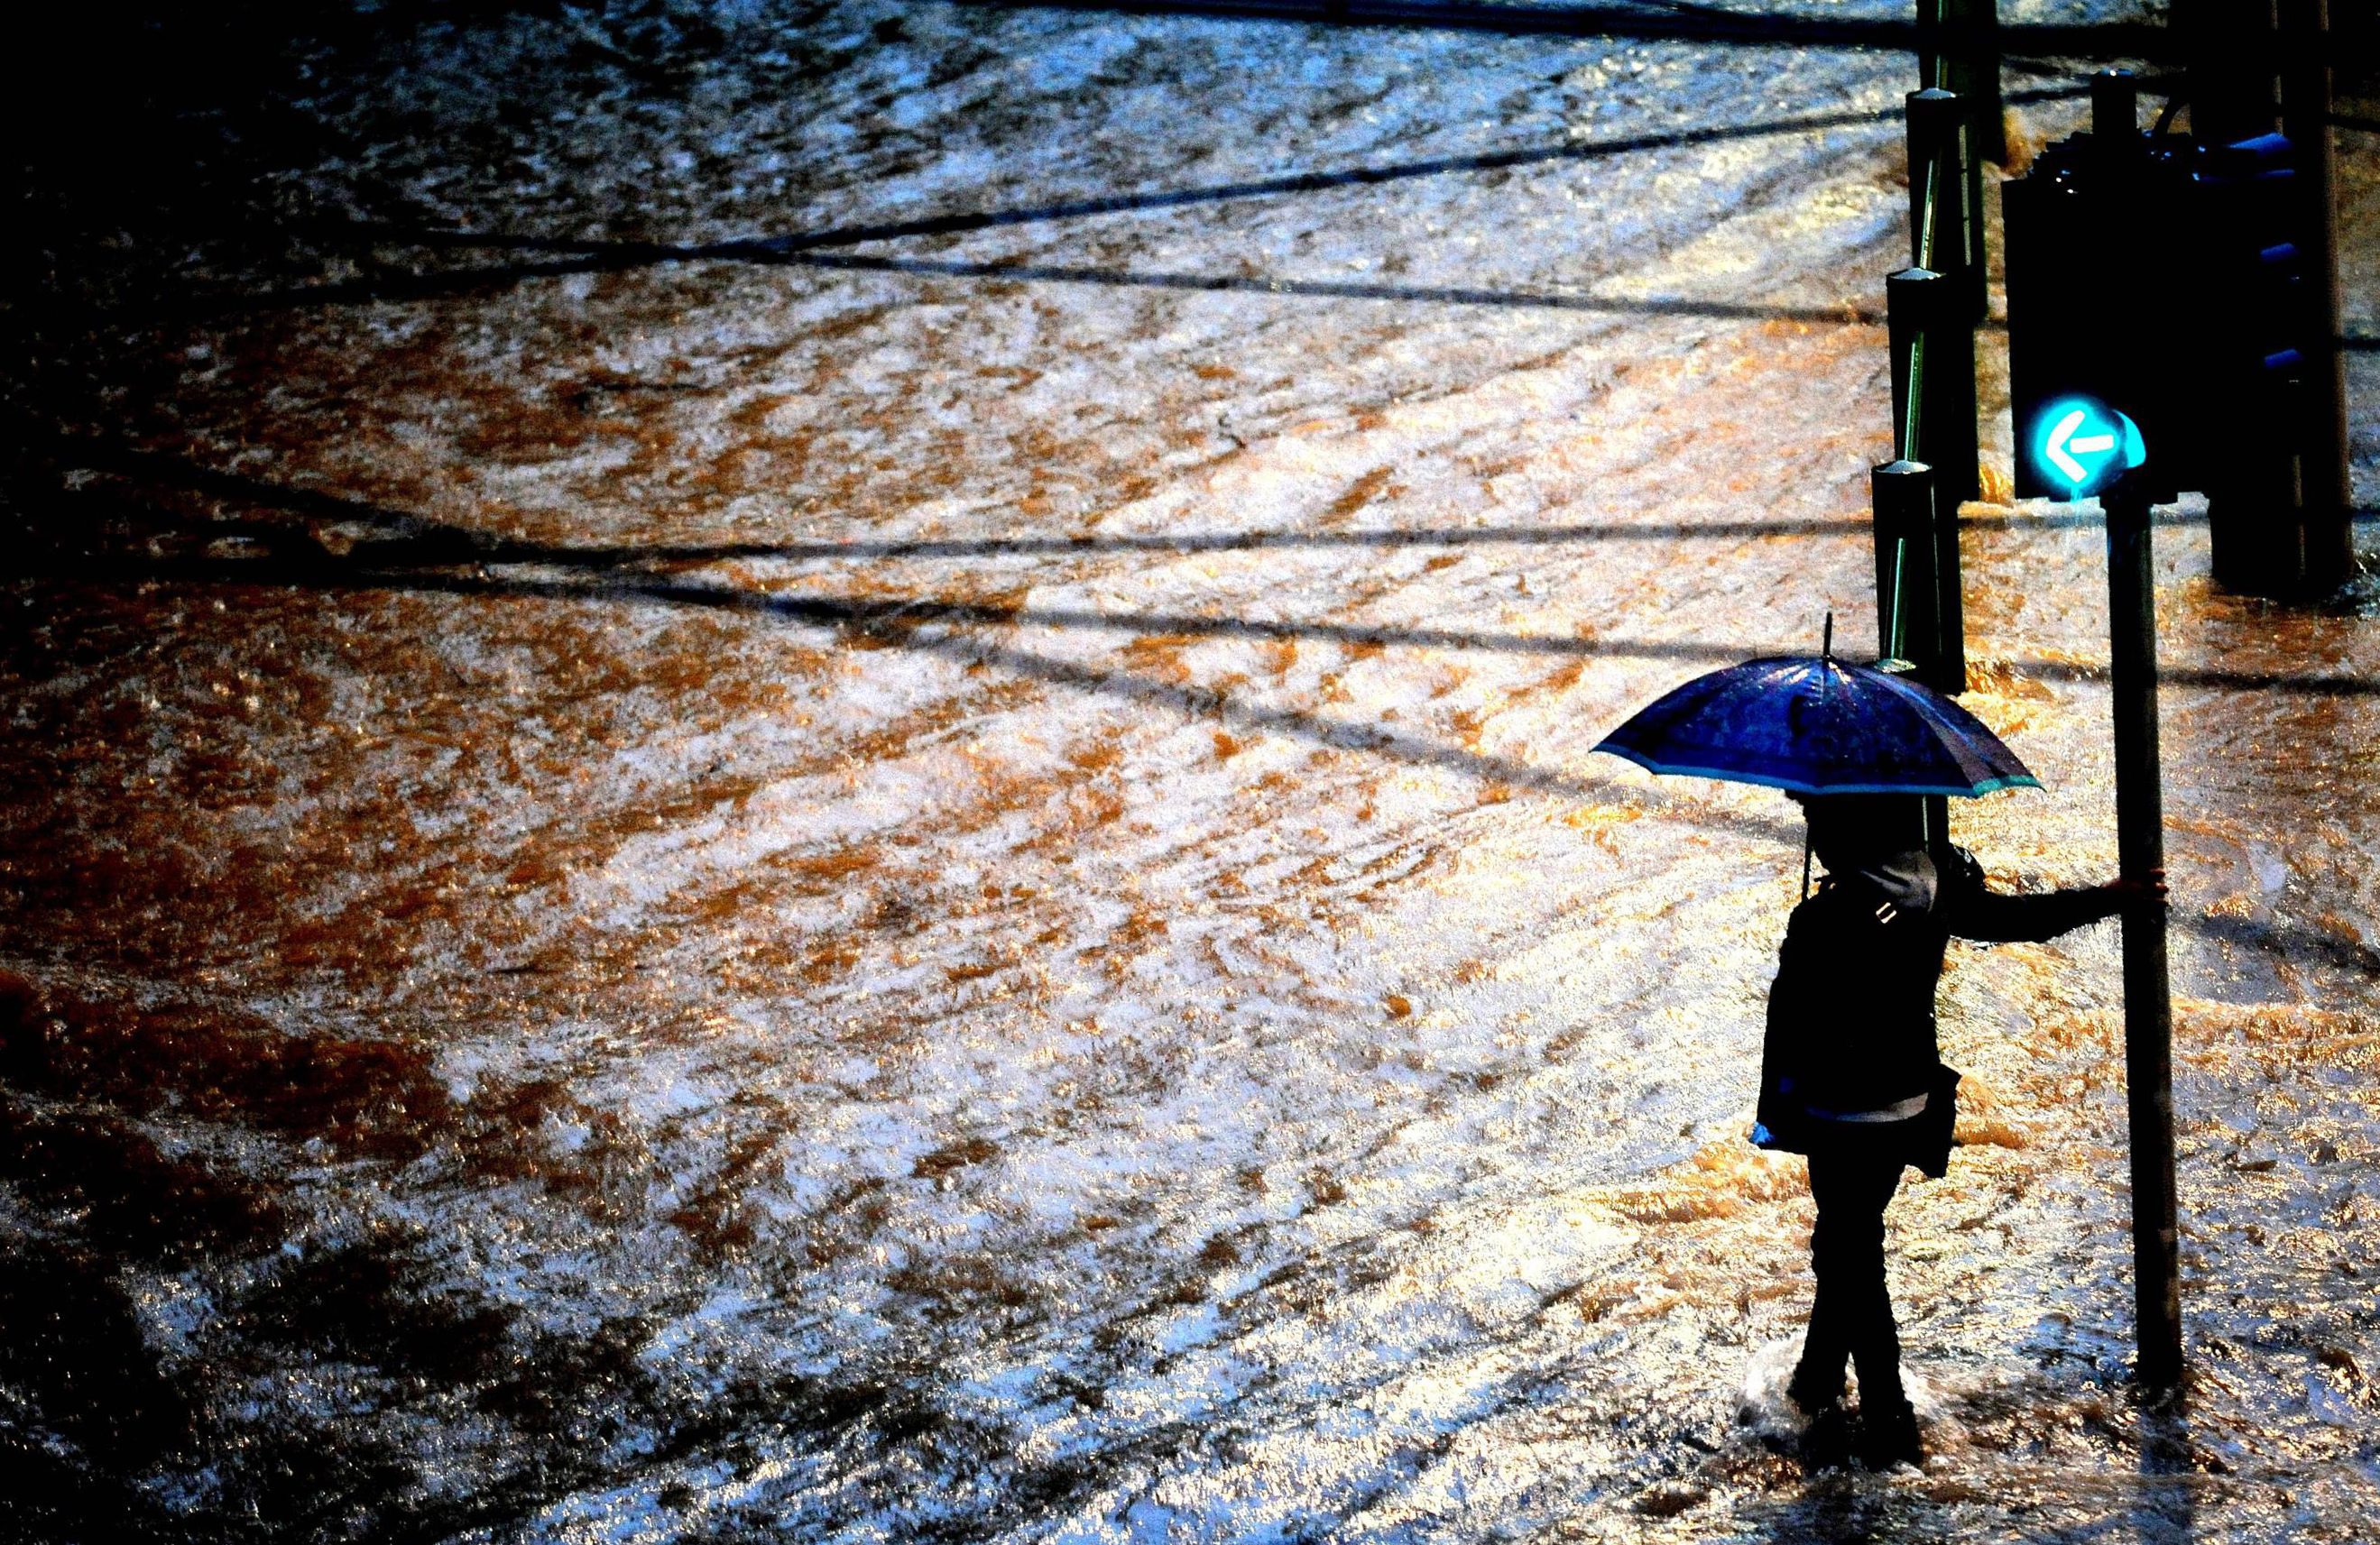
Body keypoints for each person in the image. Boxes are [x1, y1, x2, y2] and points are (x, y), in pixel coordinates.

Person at [1754, 792, 2163, 1468]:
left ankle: (1890, 1420)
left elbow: (1794, 1028)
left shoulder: (1822, 919)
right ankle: (1818, 1379)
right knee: (1846, 1243)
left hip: (1843, 1118)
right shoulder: (1935, 887)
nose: (1814, 833)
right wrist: (2109, 897)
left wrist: (1804, 935)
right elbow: (2017, 920)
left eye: (1818, 820)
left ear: (1849, 834)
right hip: (1909, 1108)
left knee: (1851, 1253)